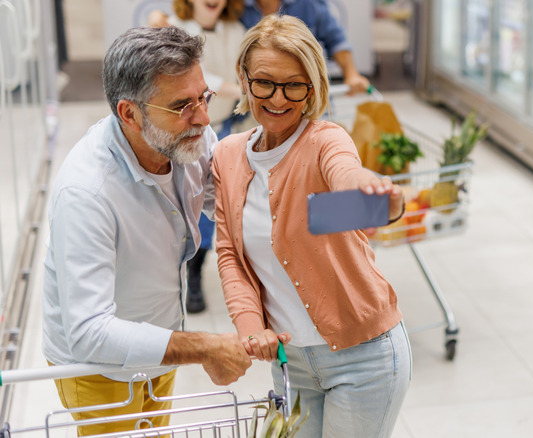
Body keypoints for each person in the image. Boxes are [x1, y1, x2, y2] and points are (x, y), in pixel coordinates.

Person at [42, 26, 252, 436]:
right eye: (181, 107)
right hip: (98, 367)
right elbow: (88, 333)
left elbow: (226, 204)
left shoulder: (188, 137)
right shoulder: (88, 192)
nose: (204, 118)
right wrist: (205, 347)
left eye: (203, 97)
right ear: (129, 114)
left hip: (160, 341)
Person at [213, 15, 410, 438]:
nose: (279, 99)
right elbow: (230, 255)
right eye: (264, 82)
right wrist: (251, 329)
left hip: (365, 359)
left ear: (313, 86)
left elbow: (347, 178)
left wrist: (371, 192)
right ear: (243, 80)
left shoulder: (324, 141)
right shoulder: (227, 157)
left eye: (295, 85)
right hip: (291, 364)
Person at [165, 0, 249, 313]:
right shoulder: (175, 28)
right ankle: (193, 272)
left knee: (224, 200)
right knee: (196, 202)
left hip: (228, 126)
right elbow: (197, 79)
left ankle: (206, 268)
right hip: (190, 132)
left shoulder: (235, 29)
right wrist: (236, 89)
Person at [149, 0, 371, 95]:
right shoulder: (239, 12)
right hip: (258, 102)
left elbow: (336, 38)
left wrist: (351, 74)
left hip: (306, 95)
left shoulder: (308, 3)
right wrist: (161, 19)